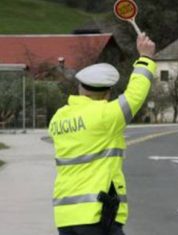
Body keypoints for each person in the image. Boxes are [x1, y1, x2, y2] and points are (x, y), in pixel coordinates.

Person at [48, 33, 156, 235]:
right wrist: (146, 58)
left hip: (65, 216)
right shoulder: (106, 116)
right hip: (97, 214)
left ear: (80, 87)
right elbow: (135, 94)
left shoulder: (58, 118)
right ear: (107, 93)